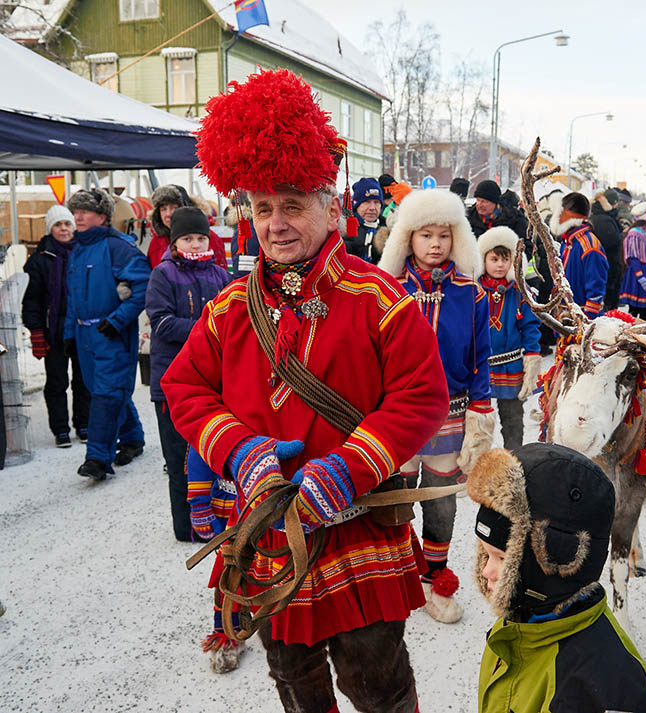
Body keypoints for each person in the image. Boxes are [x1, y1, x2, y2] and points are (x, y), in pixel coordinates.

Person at [162, 68, 448, 713]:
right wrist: (239, 451)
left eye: (292, 204)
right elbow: (182, 386)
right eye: (262, 208)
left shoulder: (380, 298)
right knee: (294, 684)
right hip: (265, 533)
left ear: (329, 206)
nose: (276, 222)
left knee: (378, 688)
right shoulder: (230, 308)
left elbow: (421, 395)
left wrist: (348, 469)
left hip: (358, 533)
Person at [379, 188, 495, 624]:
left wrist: (481, 411)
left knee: (442, 500)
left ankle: (434, 577)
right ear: (408, 238)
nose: (435, 245)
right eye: (425, 235)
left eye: (443, 236)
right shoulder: (386, 290)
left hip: (451, 412)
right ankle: (396, 570)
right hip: (398, 412)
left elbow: (480, 356)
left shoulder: (473, 294)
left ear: (457, 239)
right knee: (397, 494)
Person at [467, 444, 646, 713]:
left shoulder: (598, 686)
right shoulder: (522, 623)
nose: (486, 572)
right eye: (485, 555)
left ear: (556, 560)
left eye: (500, 558)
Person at [146, 207, 231, 541]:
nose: (195, 244)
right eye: (187, 238)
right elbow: (162, 323)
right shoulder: (163, 275)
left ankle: (217, 520)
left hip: (215, 381)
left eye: (200, 237)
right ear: (175, 241)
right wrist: (210, 328)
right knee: (180, 458)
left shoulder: (220, 275)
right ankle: (186, 528)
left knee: (212, 452)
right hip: (173, 383)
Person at [64, 188, 150, 481]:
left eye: (84, 212)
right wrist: (68, 334)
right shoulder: (77, 249)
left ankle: (97, 458)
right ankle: (132, 438)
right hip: (85, 335)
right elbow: (72, 297)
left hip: (112, 335)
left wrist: (116, 321)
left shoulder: (118, 247)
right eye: (75, 212)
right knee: (103, 390)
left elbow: (143, 288)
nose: (77, 217)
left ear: (102, 216)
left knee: (106, 394)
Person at [22, 205, 90, 447]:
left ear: (74, 227)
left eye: (67, 224)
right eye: (58, 225)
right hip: (54, 330)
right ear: (50, 229)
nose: (63, 229)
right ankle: (60, 429)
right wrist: (36, 329)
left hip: (82, 328)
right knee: (57, 381)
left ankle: (84, 424)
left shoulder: (84, 253)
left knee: (84, 380)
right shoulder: (39, 260)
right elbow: (31, 299)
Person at [476, 226, 541, 450]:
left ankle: (515, 457)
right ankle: (477, 462)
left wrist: (532, 356)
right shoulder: (472, 291)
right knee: (478, 418)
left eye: (505, 259)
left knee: (512, 418)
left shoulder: (520, 292)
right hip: (479, 366)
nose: (500, 265)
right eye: (494, 259)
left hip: (510, 365)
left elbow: (530, 326)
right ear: (483, 260)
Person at [185, 447, 245, 673]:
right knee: (232, 567)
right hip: (234, 498)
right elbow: (201, 442)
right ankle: (229, 630)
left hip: (292, 488)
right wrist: (199, 501)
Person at [552, 191, 609, 318]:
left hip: (581, 319)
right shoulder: (566, 243)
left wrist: (585, 321)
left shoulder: (589, 246)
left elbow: (596, 289)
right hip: (565, 317)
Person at [147, 185, 227, 270]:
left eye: (174, 208)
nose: (168, 214)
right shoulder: (156, 243)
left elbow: (220, 276)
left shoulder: (206, 238)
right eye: (163, 209)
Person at [618, 202, 646, 320]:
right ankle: (633, 334)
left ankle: (644, 333)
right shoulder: (634, 234)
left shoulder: (645, 232)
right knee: (637, 308)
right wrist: (640, 276)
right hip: (639, 273)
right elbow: (633, 257)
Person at [589, 189, 624, 311]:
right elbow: (611, 241)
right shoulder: (604, 219)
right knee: (609, 299)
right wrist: (621, 235)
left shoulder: (601, 216)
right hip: (608, 265)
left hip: (607, 264)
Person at [343, 177, 385, 263]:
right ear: (356, 205)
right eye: (367, 202)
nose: (372, 208)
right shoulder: (343, 229)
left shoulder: (387, 231)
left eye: (376, 202)